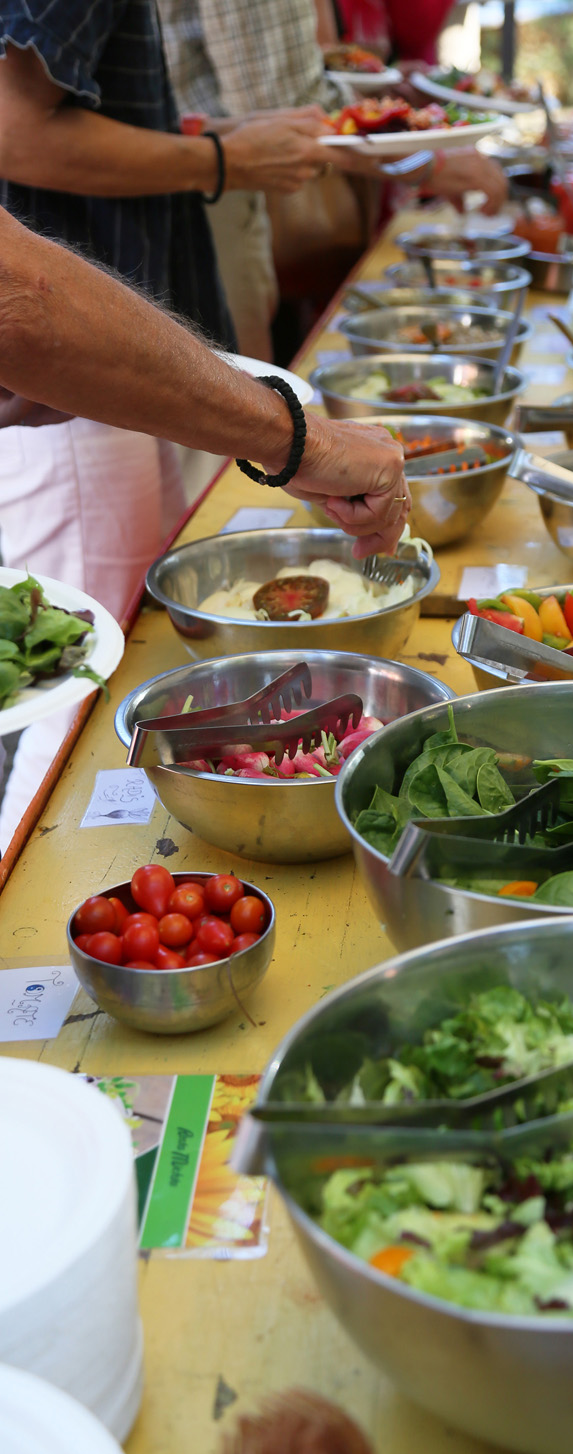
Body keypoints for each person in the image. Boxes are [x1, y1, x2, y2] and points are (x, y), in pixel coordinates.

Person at [0, 0, 356, 835]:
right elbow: (16, 129)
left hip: (98, 375)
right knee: (67, 715)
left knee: (107, 682)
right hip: (75, 392)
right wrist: (222, 156)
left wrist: (212, 137)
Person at [0, 204, 411, 851]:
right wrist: (291, 438)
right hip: (71, 378)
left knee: (101, 668)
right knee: (70, 694)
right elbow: (22, 294)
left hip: (99, 367)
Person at [160, 0, 508, 359]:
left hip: (194, 181)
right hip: (200, 192)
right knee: (233, 391)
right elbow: (288, 100)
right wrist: (427, 160)